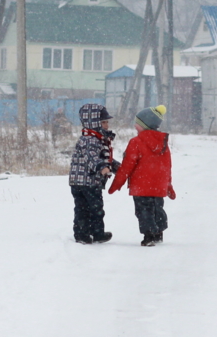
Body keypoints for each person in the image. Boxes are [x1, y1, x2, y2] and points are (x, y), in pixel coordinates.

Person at [109, 105, 175, 246]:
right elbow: (167, 167)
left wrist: (117, 183)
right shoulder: (163, 143)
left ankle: (149, 236)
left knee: (144, 211)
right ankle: (158, 233)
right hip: (158, 186)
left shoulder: (136, 142)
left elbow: (127, 166)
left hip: (141, 185)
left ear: (145, 125)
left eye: (137, 123)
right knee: (157, 209)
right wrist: (169, 185)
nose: (134, 125)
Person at [68, 102, 116, 244]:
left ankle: (87, 233)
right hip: (87, 181)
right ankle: (91, 233)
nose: (107, 125)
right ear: (94, 122)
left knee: (85, 208)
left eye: (107, 122)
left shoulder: (93, 138)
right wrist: (102, 167)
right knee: (93, 209)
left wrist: (116, 166)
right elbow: (92, 157)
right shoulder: (90, 139)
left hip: (80, 180)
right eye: (104, 122)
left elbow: (100, 156)